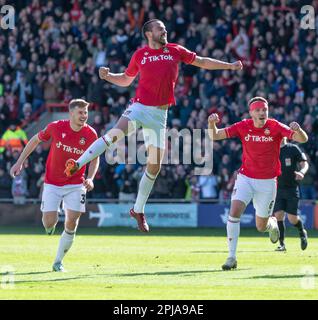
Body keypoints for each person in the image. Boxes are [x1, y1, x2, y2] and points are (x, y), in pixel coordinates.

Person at [64, 19, 243, 232]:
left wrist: (229, 65)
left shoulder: (175, 50)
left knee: (155, 166)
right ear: (149, 33)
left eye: (164, 28)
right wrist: (108, 76)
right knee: (114, 135)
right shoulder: (140, 55)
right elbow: (125, 80)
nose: (164, 30)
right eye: (160, 28)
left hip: (160, 114)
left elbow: (202, 61)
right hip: (139, 107)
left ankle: (138, 210)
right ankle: (77, 162)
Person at [208, 96, 308, 270]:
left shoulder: (275, 126)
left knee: (260, 227)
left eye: (265, 109)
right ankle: (231, 257)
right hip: (245, 178)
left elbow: (303, 139)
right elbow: (215, 136)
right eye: (258, 110)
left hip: (268, 182)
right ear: (251, 113)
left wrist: (298, 130)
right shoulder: (243, 126)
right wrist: (211, 124)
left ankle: (272, 224)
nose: (262, 112)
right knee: (234, 212)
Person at [10, 99, 99, 272]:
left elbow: (95, 157)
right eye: (80, 112)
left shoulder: (90, 134)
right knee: (49, 222)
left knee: (73, 220)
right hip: (52, 183)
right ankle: (50, 228)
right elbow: (35, 140)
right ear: (71, 113)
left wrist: (91, 178)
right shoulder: (56, 127)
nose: (84, 116)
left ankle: (58, 262)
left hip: (76, 183)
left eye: (86, 112)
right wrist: (19, 162)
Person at [273, 137, 309, 252]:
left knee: (292, 219)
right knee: (278, 215)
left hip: (291, 188)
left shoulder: (293, 148)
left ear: (285, 136)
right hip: (277, 188)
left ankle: (302, 232)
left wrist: (302, 172)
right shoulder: (272, 149)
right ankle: (282, 244)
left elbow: (305, 164)